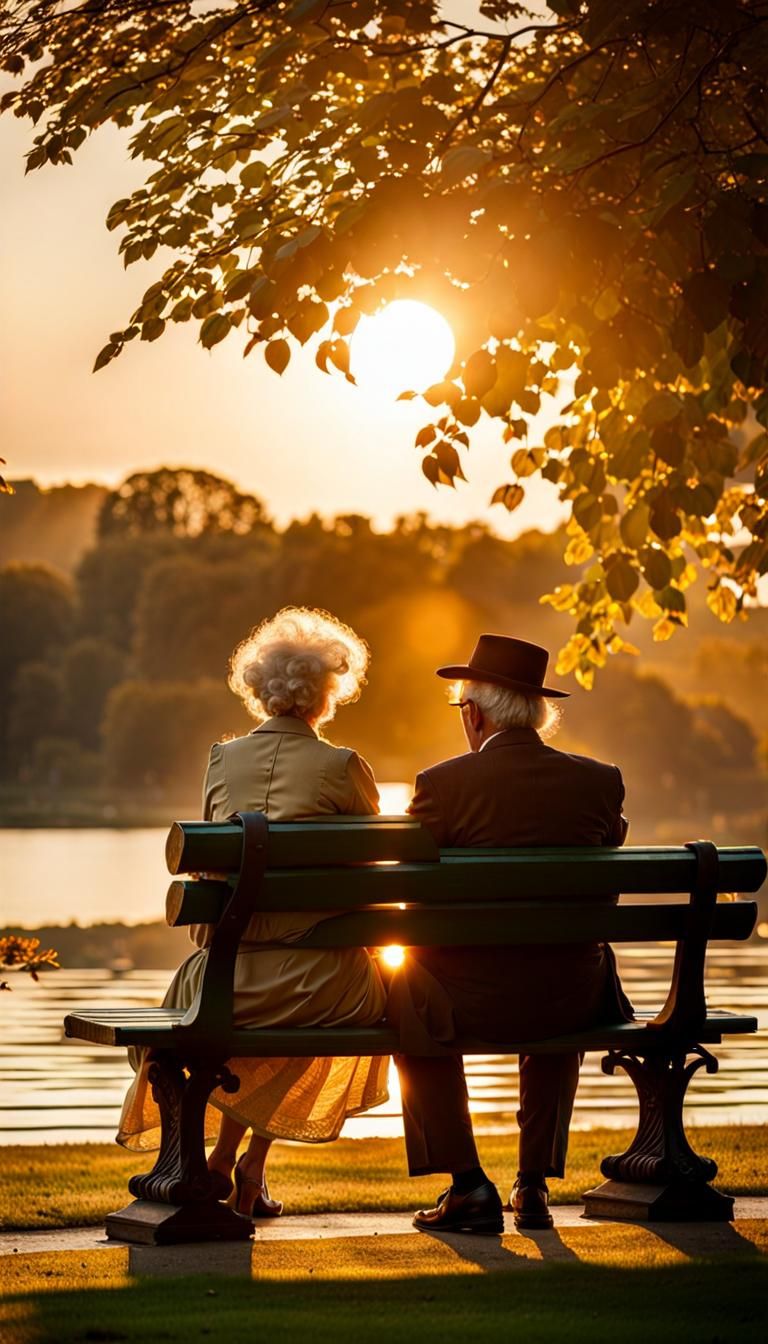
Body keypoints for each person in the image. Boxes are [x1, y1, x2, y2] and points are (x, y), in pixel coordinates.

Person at [117, 607, 388, 1218]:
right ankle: (250, 1164)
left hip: (220, 980)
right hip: (320, 984)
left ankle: (230, 1162)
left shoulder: (221, 760)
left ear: (260, 689)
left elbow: (212, 871)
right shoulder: (344, 767)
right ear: (327, 694)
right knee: (344, 992)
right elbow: (369, 883)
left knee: (284, 1002)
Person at [388, 634, 632, 1235]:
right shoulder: (599, 782)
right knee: (562, 967)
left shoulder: (441, 785)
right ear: (538, 713)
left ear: (473, 713)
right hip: (572, 1000)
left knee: (405, 992)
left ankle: (468, 1184)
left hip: (467, 1003)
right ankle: (533, 1184)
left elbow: (412, 900)